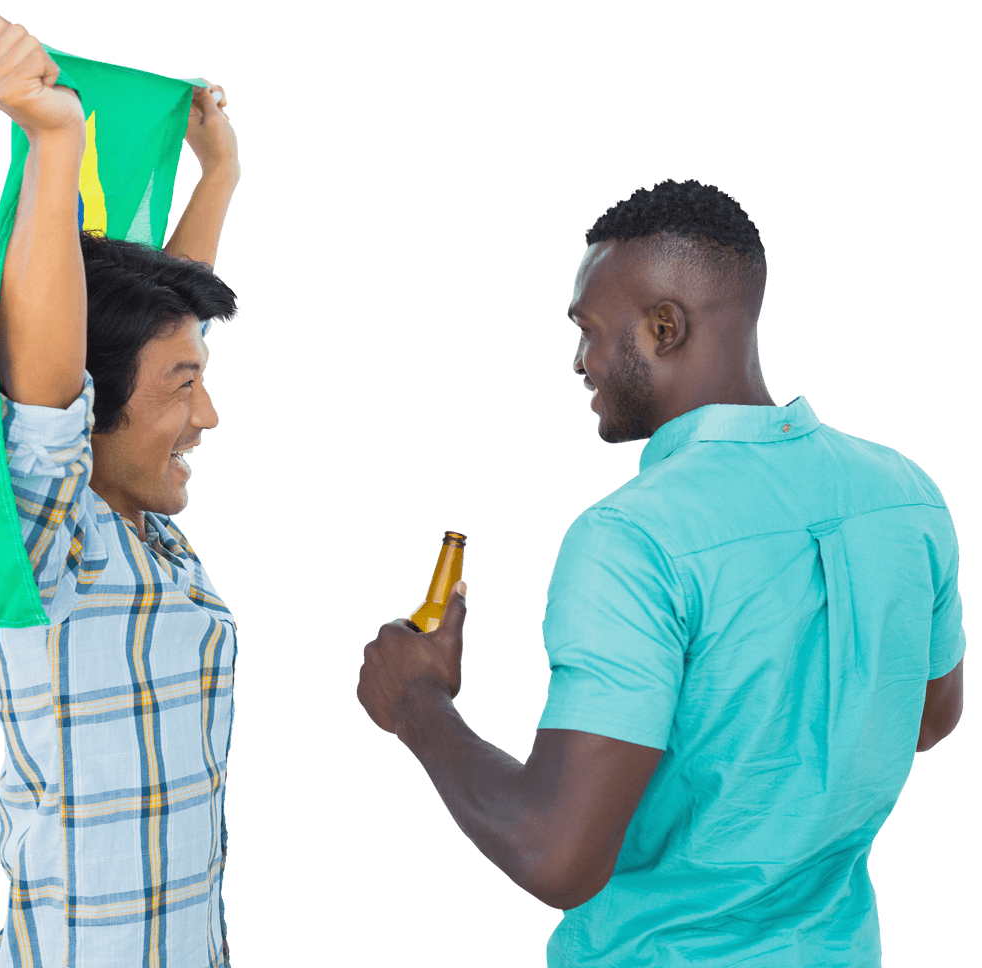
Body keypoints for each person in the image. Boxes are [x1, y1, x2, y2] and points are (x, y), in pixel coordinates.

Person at [357, 178, 966, 966]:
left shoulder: (632, 538)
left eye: (588, 331)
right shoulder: (907, 495)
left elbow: (557, 857)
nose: (580, 362)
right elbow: (928, 717)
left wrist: (417, 704)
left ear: (664, 327)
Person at [0, 4, 241, 965]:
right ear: (87, 406)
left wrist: (221, 176)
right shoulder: (49, 544)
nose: (208, 418)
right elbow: (60, 377)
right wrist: (53, 142)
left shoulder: (139, 531)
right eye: (186, 392)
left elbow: (151, 338)